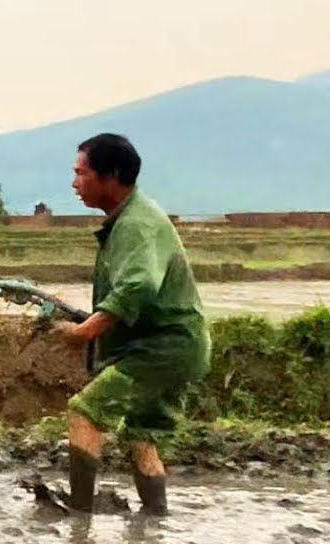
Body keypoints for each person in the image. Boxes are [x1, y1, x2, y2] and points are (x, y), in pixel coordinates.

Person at [54, 133, 210, 515]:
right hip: (178, 347)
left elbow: (138, 285)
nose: (74, 183)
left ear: (113, 176)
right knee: (141, 435)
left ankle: (79, 516)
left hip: (162, 349)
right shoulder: (132, 216)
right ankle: (156, 518)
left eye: (82, 173)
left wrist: (87, 331)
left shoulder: (136, 224)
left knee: (85, 411)